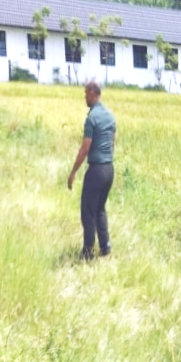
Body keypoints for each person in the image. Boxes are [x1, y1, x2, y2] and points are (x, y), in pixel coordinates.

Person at [68, 79, 116, 260]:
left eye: (86, 94)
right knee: (100, 209)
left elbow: (85, 148)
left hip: (96, 170)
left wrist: (73, 172)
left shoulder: (92, 118)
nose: (84, 97)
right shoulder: (110, 116)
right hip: (109, 169)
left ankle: (87, 253)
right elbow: (112, 144)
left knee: (87, 211)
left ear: (93, 94)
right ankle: (105, 247)